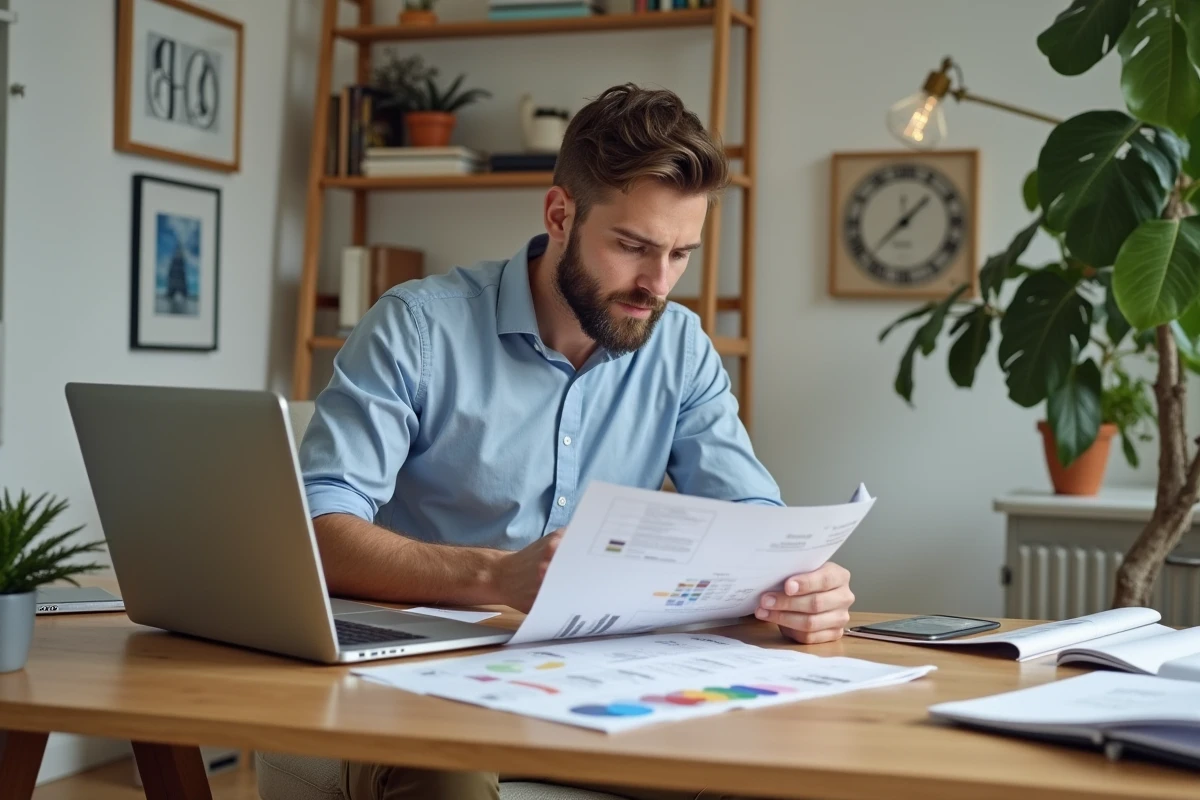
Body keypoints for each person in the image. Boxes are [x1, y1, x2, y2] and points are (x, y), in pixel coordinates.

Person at [299, 83, 855, 800]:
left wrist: (803, 583)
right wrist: (495, 577)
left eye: (681, 254)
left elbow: (753, 520)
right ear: (560, 214)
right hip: (426, 687)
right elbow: (316, 532)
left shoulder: (678, 346)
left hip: (607, 685)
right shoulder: (418, 328)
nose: (657, 285)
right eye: (632, 247)